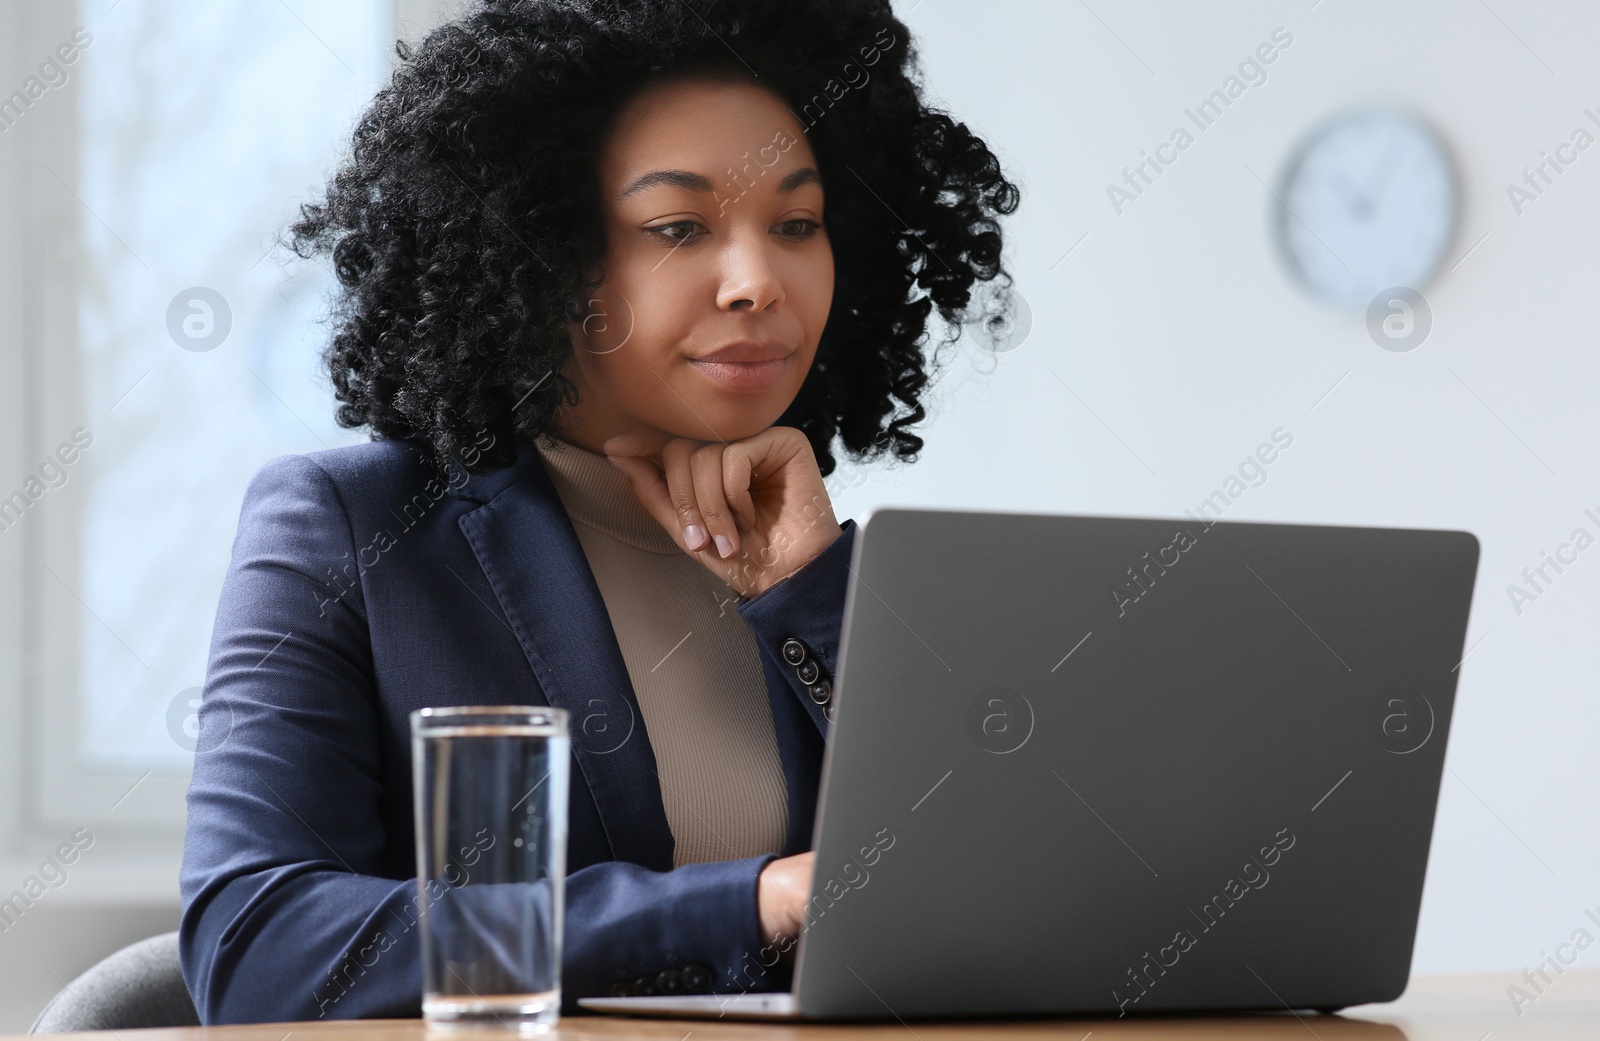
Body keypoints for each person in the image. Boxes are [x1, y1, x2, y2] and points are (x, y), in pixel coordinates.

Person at [178, 0, 1019, 1022]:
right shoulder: (352, 528)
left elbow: (1011, 885)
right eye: (678, 228)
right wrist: (748, 904)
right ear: (543, 254)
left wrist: (810, 592)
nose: (759, 281)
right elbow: (255, 944)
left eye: (797, 224)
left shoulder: (830, 573)